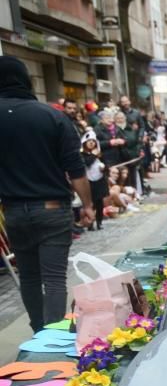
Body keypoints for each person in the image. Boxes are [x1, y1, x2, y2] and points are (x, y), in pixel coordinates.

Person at [0, 56, 94, 332]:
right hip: (53, 209)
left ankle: (38, 330)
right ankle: (52, 337)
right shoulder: (53, 116)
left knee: (29, 276)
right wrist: (87, 205)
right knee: (53, 278)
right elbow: (75, 169)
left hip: (14, 212)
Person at [80, 130, 109, 231]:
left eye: (93, 141)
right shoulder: (82, 154)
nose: (92, 143)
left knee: (99, 203)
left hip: (99, 181)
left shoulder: (100, 153)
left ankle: (99, 221)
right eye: (89, 141)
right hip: (89, 182)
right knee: (90, 203)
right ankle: (90, 222)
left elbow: (107, 166)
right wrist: (93, 155)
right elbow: (87, 163)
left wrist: (104, 168)